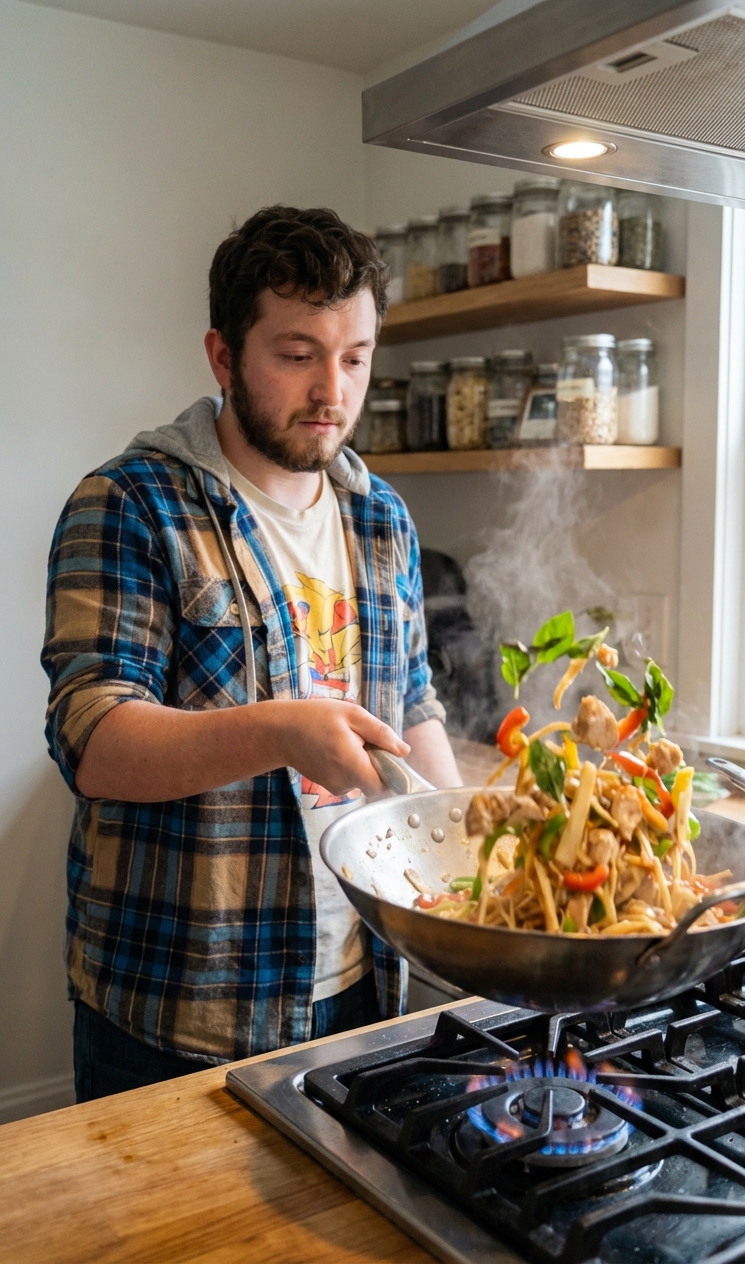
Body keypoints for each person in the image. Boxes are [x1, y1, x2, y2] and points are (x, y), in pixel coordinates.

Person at [42, 205, 460, 1102]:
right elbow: (94, 739)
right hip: (182, 1007)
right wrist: (282, 731)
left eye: (355, 357)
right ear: (223, 356)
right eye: (297, 354)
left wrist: (464, 839)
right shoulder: (130, 503)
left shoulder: (381, 517)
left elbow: (413, 701)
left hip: (359, 979)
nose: (333, 392)